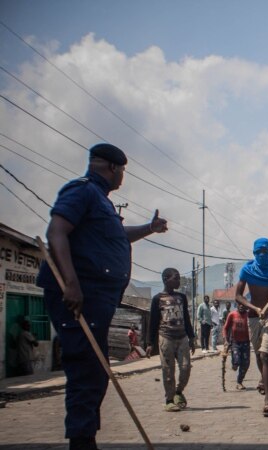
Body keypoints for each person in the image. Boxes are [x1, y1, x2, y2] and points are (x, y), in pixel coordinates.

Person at [36, 143, 168, 450]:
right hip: (80, 297)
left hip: (99, 299)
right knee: (86, 368)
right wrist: (71, 283)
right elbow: (56, 231)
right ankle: (82, 441)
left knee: (95, 371)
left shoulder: (102, 202)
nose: (122, 178)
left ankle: (86, 438)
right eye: (122, 172)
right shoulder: (81, 191)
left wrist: (149, 228)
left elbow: (119, 236)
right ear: (113, 168)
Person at [234, 237, 268, 417]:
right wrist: (253, 307)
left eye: (265, 252)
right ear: (254, 253)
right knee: (258, 354)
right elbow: (239, 296)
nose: (262, 255)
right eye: (259, 252)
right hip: (254, 317)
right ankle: (263, 380)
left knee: (265, 355)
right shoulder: (247, 270)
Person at [146, 267, 195, 412]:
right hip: (166, 337)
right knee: (168, 370)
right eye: (176, 278)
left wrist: (191, 337)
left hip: (182, 337)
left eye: (179, 278)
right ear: (166, 280)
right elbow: (153, 321)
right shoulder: (157, 299)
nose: (179, 281)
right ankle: (169, 399)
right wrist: (150, 343)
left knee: (185, 368)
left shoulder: (181, 298)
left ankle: (179, 392)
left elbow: (186, 318)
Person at [223, 302, 251, 390]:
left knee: (245, 363)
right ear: (237, 305)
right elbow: (225, 328)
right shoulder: (232, 314)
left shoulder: (249, 315)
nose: (241, 306)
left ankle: (239, 382)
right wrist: (225, 340)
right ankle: (234, 363)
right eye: (240, 304)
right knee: (237, 361)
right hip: (235, 342)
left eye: (243, 304)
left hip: (246, 342)